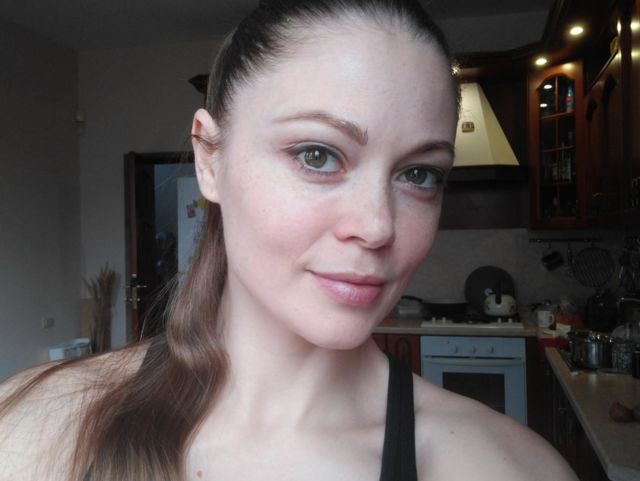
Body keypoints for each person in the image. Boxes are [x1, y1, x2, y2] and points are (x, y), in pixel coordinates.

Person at [0, 1, 578, 480]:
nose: (378, 226)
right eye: (317, 155)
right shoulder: (38, 426)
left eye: (419, 174)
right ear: (209, 159)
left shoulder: (506, 468)